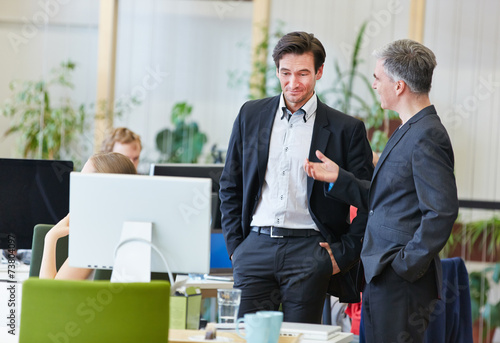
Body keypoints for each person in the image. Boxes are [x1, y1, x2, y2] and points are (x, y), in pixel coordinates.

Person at [304, 39, 459, 341]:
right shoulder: (408, 129)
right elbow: (385, 200)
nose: (374, 84)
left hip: (399, 279)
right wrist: (340, 178)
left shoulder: (427, 135)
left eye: (378, 77)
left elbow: (441, 212)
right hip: (382, 275)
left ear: (399, 86)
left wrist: (403, 265)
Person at [219, 31, 374, 323]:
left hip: (310, 252)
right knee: (244, 336)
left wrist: (343, 255)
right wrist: (236, 249)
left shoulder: (346, 129)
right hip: (255, 247)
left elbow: (369, 198)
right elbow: (230, 184)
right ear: (277, 70)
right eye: (286, 73)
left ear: (319, 72)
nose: (293, 83)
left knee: (302, 337)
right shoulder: (250, 115)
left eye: (303, 73)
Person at [39, 152, 137, 280]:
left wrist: (50, 238)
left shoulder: (94, 240)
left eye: (83, 181)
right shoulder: (131, 232)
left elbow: (48, 293)